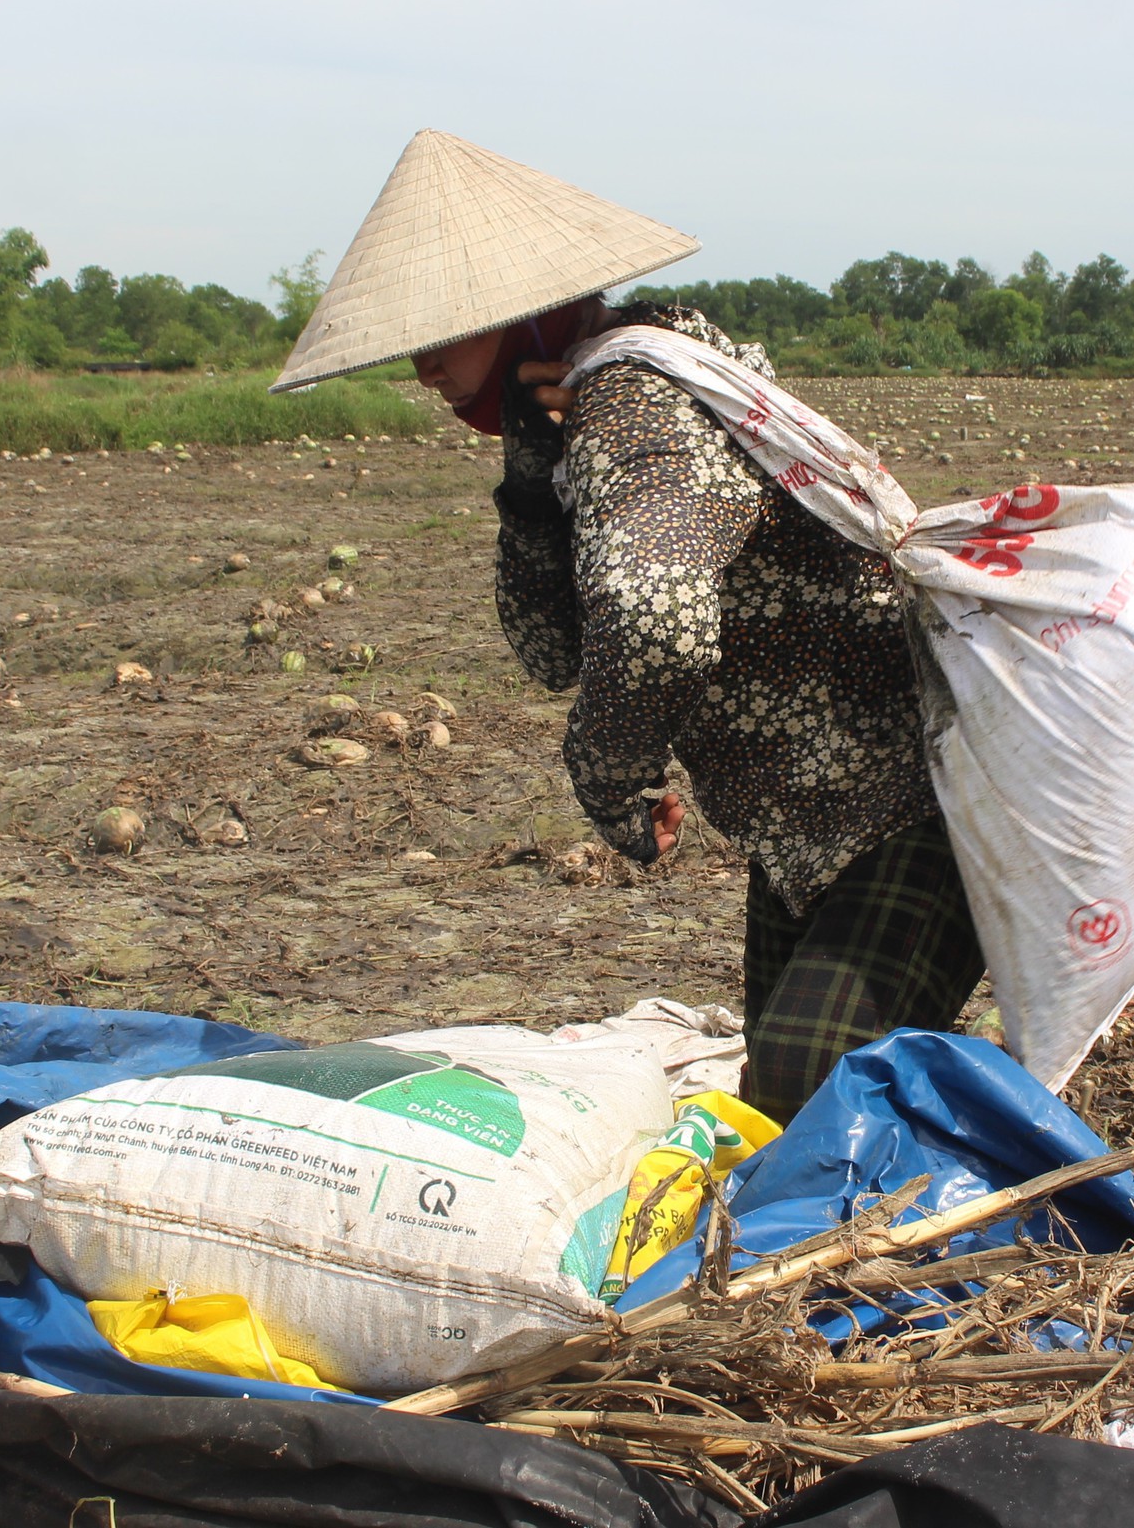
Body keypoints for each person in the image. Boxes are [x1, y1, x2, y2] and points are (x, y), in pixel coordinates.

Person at [275, 131, 984, 1122]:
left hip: (908, 804)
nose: (425, 365)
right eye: (414, 342)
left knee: (810, 1085)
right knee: (785, 1111)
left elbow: (656, 625)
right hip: (805, 826)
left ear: (525, 313)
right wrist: (533, 487)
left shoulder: (632, 401)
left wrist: (611, 778)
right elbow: (552, 651)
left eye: (448, 331)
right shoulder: (614, 395)